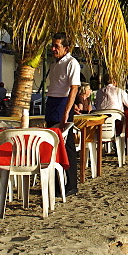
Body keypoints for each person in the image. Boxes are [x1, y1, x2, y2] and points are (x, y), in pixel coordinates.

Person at [45, 32, 80, 194]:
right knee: (51, 144)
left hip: (62, 103)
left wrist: (66, 112)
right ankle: (55, 184)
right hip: (52, 102)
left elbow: (74, 88)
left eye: (56, 46)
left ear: (66, 48)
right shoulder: (54, 64)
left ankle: (71, 184)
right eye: (52, 46)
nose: (53, 49)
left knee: (67, 145)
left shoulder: (72, 63)